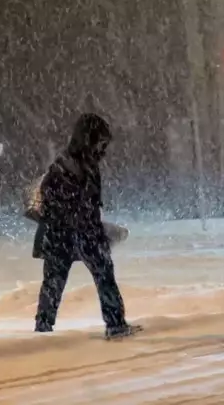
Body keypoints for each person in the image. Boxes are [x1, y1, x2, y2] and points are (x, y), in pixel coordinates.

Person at [30, 112, 142, 339]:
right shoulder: (72, 168)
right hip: (76, 233)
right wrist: (91, 229)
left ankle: (42, 330)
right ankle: (115, 325)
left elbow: (77, 204)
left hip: (65, 233)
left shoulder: (72, 164)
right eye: (101, 143)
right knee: (100, 275)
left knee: (54, 283)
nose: (103, 150)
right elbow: (73, 204)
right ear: (89, 139)